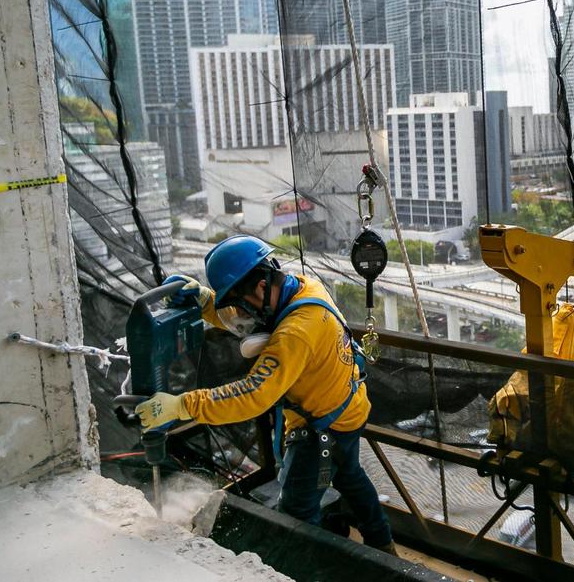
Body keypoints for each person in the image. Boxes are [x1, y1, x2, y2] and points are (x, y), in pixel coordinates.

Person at [135, 234, 395, 555]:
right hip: (347, 408)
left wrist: (182, 406)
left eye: (239, 304)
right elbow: (251, 321)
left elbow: (253, 394)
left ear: (260, 287)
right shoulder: (301, 287)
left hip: (320, 431)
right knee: (351, 477)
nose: (239, 314)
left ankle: (311, 568)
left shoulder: (295, 332)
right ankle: (384, 545)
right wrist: (205, 301)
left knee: (297, 516)